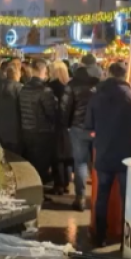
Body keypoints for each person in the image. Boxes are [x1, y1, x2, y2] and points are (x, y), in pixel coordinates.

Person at [85, 62, 131, 247]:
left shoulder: (96, 96)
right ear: (125, 75)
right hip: (127, 154)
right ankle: (126, 239)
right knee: (127, 197)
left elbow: (89, 125)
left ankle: (99, 237)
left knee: (102, 197)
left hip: (104, 152)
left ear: (108, 74)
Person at [18, 60, 58, 187]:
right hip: (42, 132)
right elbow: (51, 113)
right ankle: (39, 193)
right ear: (43, 71)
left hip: (26, 130)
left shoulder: (24, 88)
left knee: (31, 164)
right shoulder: (45, 90)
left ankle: (31, 189)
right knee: (41, 166)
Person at [65, 66, 99, 211]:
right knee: (97, 162)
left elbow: (66, 107)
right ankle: (98, 198)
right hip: (96, 129)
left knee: (80, 163)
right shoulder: (96, 87)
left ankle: (81, 198)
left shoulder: (71, 87)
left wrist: (66, 125)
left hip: (78, 128)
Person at [48, 61, 73, 195]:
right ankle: (66, 183)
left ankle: (59, 185)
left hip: (54, 126)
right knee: (66, 156)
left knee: (56, 157)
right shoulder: (68, 87)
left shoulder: (50, 87)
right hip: (67, 127)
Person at [0, 65, 23, 156]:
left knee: (5, 153)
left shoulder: (0, 86)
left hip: (1, 126)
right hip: (15, 127)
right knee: (16, 155)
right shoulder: (19, 87)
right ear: (16, 74)